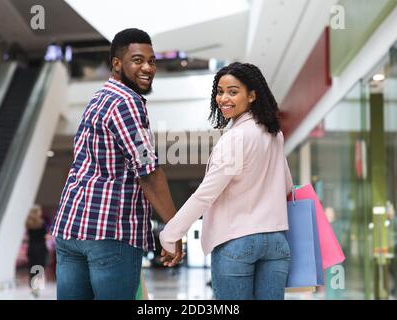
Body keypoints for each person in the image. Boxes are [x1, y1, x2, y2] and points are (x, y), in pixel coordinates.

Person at [50, 28, 183, 300]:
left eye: (152, 60)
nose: (147, 67)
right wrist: (173, 228)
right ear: (117, 64)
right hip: (110, 231)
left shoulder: (98, 99)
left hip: (70, 229)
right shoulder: (127, 102)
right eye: (137, 60)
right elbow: (149, 172)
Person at [159, 62, 293, 300]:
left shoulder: (236, 138)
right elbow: (287, 187)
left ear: (252, 95)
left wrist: (170, 235)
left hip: (237, 241)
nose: (223, 98)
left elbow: (205, 194)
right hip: (276, 243)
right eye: (220, 91)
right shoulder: (275, 135)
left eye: (233, 91)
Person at [26, 205, 48, 298]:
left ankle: (32, 288)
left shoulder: (28, 223)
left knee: (32, 268)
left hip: (31, 247)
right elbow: (44, 235)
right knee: (39, 268)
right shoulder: (42, 223)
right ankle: (37, 288)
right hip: (40, 248)